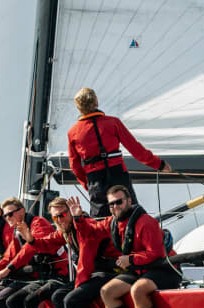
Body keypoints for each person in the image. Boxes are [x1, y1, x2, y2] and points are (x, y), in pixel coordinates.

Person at [73, 185, 182, 308]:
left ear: (129, 201)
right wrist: (78, 218)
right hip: (139, 269)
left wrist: (130, 260)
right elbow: (89, 233)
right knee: (107, 292)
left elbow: (156, 254)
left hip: (164, 268)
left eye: (119, 202)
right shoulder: (112, 222)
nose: (115, 206)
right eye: (111, 204)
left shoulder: (146, 222)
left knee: (138, 290)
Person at [67, 87, 172, 217]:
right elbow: (136, 149)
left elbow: (75, 166)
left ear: (78, 108)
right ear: (96, 103)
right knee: (131, 214)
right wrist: (159, 164)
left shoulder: (73, 132)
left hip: (95, 179)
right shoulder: (113, 122)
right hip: (118, 174)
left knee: (101, 220)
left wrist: (88, 184)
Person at [47, 195, 122, 308]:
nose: (59, 220)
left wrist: (79, 286)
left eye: (63, 215)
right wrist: (31, 241)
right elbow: (46, 242)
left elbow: (86, 259)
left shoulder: (85, 226)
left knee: (71, 299)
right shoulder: (66, 230)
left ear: (71, 213)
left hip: (110, 272)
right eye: (55, 217)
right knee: (58, 295)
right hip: (94, 274)